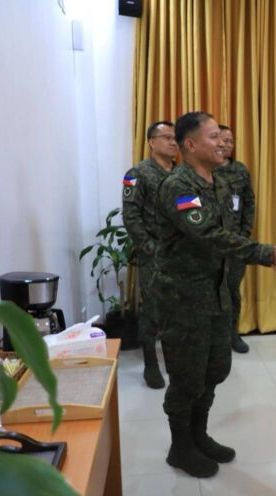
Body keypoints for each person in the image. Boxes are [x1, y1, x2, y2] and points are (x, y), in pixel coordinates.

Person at [152, 111, 276, 478]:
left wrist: (260, 253)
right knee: (187, 377)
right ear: (190, 145)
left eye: (222, 137)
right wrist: (269, 254)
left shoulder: (219, 182)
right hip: (184, 298)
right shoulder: (178, 186)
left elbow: (231, 233)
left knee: (216, 368)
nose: (222, 142)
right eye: (213, 137)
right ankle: (180, 446)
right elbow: (209, 235)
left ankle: (198, 434)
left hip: (217, 292)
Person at [121, 120, 178, 389]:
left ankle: (173, 358)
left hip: (181, 254)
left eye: (175, 137)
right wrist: (149, 248)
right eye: (166, 137)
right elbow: (131, 217)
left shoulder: (183, 174)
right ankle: (150, 363)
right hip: (153, 254)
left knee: (177, 309)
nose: (173, 142)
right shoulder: (137, 174)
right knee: (153, 309)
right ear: (152, 142)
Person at [214, 124, 256, 354]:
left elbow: (249, 203)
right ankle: (214, 337)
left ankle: (233, 334)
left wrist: (245, 233)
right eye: (223, 140)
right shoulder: (204, 170)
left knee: (232, 291)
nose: (227, 145)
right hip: (210, 245)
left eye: (231, 141)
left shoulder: (240, 170)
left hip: (236, 244)